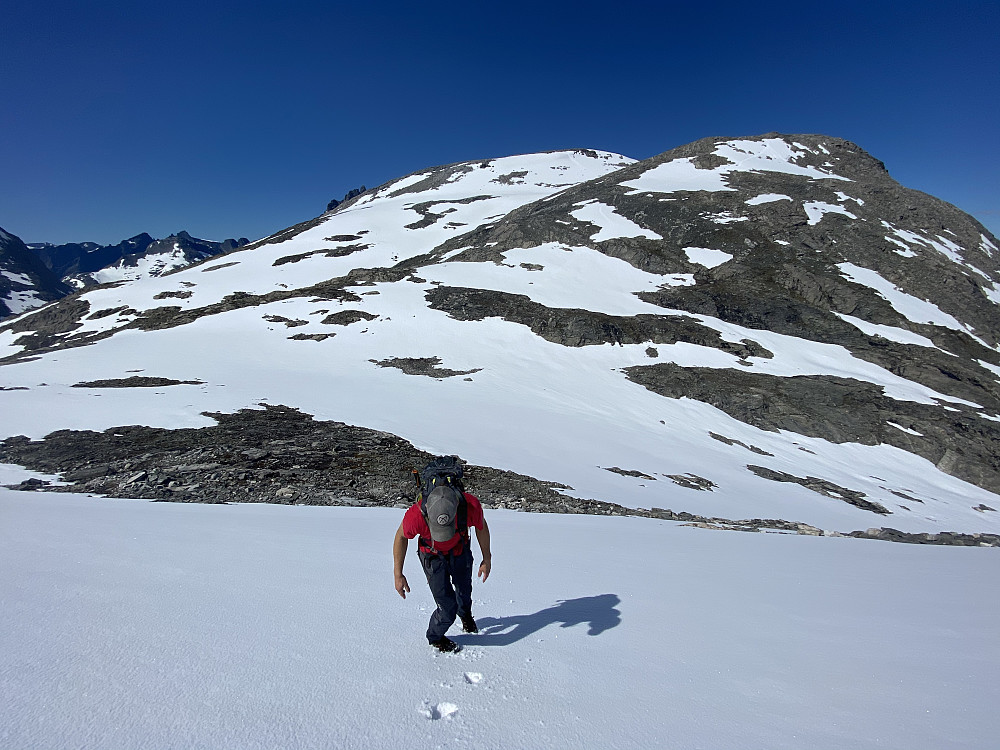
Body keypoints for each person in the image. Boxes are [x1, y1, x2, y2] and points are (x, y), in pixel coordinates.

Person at [393, 475, 492, 653]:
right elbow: (401, 536)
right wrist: (398, 574)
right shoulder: (417, 515)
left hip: (460, 549)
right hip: (431, 556)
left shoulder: (469, 506)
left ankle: (465, 615)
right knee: (447, 607)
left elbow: (481, 525)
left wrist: (487, 558)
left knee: (464, 589)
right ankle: (435, 637)